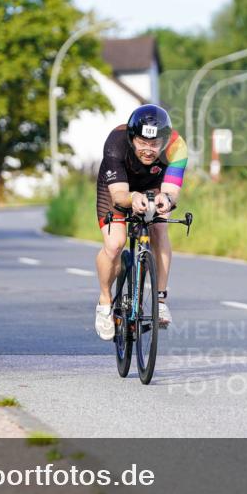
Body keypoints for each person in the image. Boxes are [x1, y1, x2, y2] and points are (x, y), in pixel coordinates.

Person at [94, 104, 187, 341]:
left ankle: (160, 299)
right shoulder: (116, 142)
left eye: (155, 144)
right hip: (118, 187)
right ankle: (105, 302)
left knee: (159, 227)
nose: (148, 149)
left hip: (153, 184)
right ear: (132, 138)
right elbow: (119, 197)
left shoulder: (177, 147)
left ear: (165, 142)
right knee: (115, 244)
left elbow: (171, 191)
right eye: (142, 143)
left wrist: (166, 199)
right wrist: (133, 198)